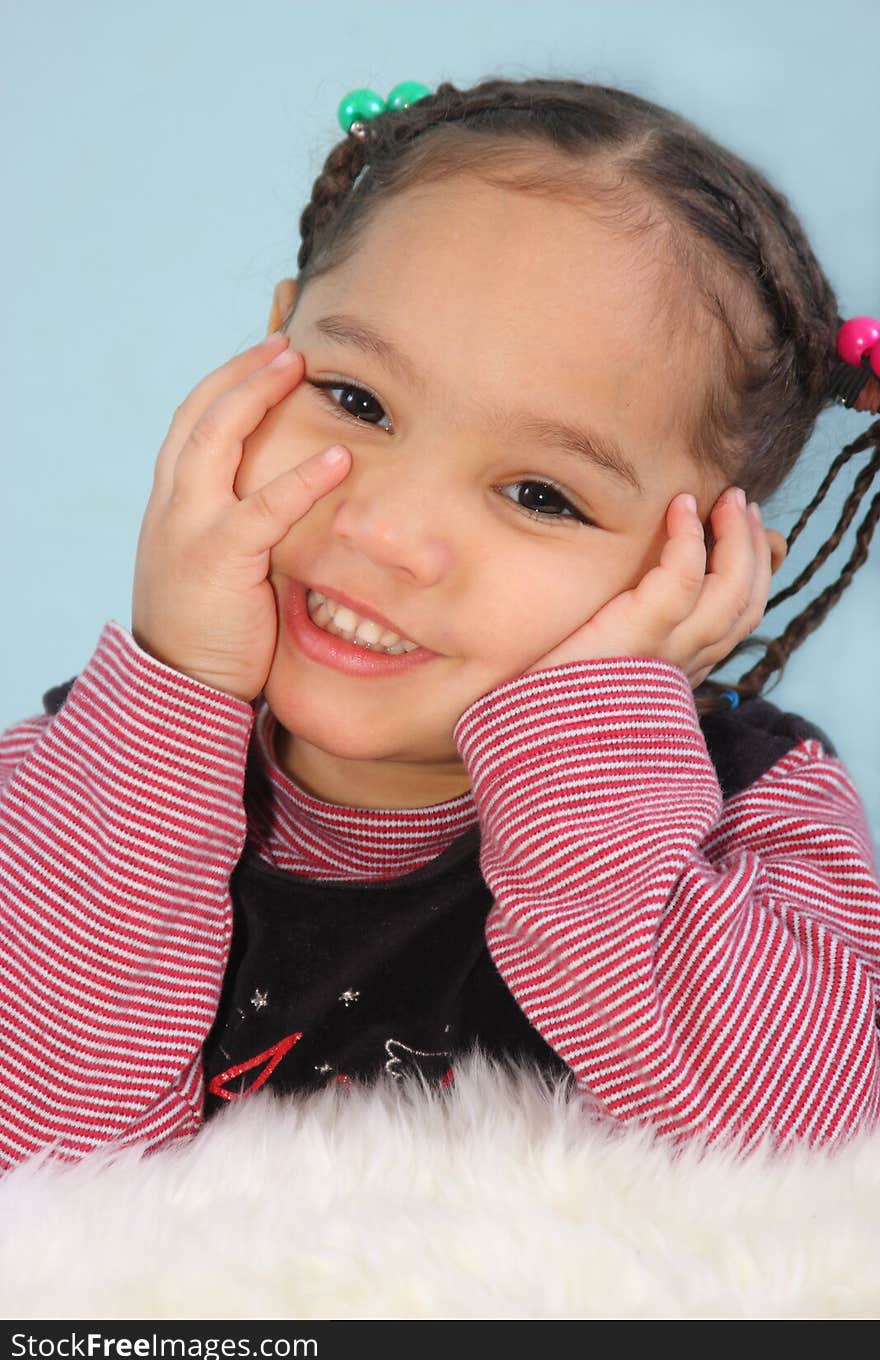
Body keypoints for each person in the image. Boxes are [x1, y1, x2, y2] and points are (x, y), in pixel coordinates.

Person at [2, 75, 879, 1175]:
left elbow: (831, 1164)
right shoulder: (88, 786)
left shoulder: (752, 815)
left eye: (540, 494)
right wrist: (172, 689)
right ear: (270, 346)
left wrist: (584, 749)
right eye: (356, 400)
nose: (387, 532)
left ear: (702, 566)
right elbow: (35, 1177)